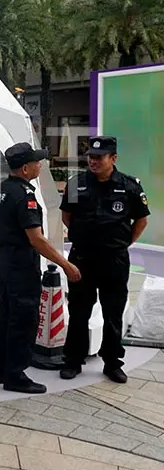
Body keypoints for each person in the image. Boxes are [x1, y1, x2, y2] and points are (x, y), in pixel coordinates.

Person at [0, 142, 82, 394]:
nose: (40, 165)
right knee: (23, 318)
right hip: (20, 261)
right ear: (24, 168)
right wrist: (65, 264)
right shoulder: (25, 196)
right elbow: (37, 239)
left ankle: (3, 369)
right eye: (36, 162)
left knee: (7, 316)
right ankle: (16, 375)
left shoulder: (2, 189)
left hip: (4, 258)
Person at [60, 136, 150, 384]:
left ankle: (112, 362)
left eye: (99, 157)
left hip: (114, 260)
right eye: (90, 157)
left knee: (113, 313)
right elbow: (67, 217)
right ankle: (73, 360)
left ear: (114, 158)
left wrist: (122, 243)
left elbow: (141, 220)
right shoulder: (76, 185)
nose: (93, 161)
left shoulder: (130, 186)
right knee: (78, 311)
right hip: (82, 258)